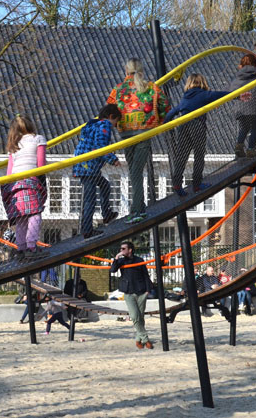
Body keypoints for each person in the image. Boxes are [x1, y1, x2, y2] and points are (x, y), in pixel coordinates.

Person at [107, 58, 171, 224]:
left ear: (125, 71)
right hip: (144, 134)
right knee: (136, 172)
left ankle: (137, 210)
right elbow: (166, 106)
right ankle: (138, 208)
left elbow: (109, 110)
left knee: (134, 172)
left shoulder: (118, 90)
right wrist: (158, 122)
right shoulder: (151, 88)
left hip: (126, 136)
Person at [165, 74, 229, 195]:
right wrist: (238, 95)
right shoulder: (204, 94)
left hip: (183, 125)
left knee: (181, 156)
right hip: (197, 125)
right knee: (199, 155)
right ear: (202, 82)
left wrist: (166, 125)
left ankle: (177, 183)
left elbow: (173, 111)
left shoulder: (185, 97)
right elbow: (221, 94)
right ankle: (197, 184)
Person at [1, 115, 48, 258]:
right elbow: (40, 164)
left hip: (14, 184)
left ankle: (20, 248)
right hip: (30, 181)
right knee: (35, 214)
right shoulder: (38, 139)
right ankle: (32, 246)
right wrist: (42, 181)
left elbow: (9, 171)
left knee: (21, 217)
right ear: (31, 125)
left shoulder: (13, 146)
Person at [72, 104, 122, 239]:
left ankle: (107, 215)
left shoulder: (93, 124)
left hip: (83, 165)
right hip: (89, 167)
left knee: (104, 185)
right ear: (111, 117)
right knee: (90, 199)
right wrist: (113, 159)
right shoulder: (105, 125)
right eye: (116, 122)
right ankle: (87, 230)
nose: (115, 126)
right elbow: (100, 146)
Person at [110, 240, 153, 349]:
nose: (121, 250)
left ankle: (138, 339)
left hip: (141, 292)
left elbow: (146, 276)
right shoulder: (121, 261)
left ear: (130, 250)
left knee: (140, 317)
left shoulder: (139, 260)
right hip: (128, 292)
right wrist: (116, 258)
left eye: (123, 249)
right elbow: (113, 270)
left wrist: (148, 290)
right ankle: (145, 339)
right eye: (121, 249)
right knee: (134, 316)